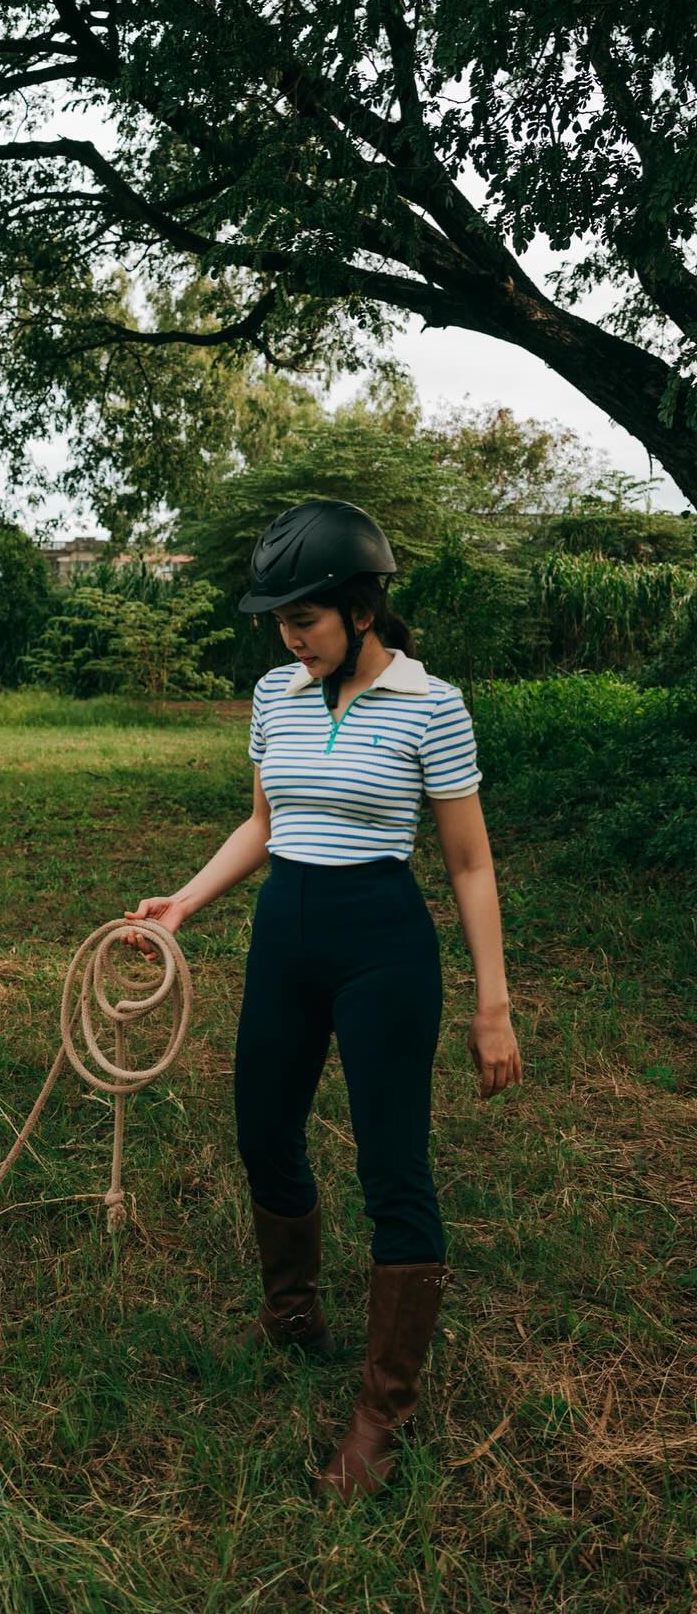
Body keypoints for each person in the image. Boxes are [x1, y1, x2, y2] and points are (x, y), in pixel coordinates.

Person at [125, 499, 521, 1503]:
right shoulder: (278, 694)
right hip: (284, 931)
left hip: (382, 945)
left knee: (394, 1172)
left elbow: (470, 865)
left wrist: (494, 1004)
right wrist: (184, 901)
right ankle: (293, 1314)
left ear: (360, 607)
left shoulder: (434, 705)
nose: (287, 637)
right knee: (264, 1132)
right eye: (280, 622)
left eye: (303, 620)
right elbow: (264, 819)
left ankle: (383, 1410)